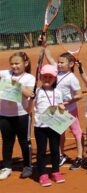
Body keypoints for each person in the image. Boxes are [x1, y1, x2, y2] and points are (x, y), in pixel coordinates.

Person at [44, 48, 84, 169]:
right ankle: (61, 155)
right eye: (59, 62)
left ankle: (80, 157)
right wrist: (45, 45)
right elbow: (49, 57)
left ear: (71, 64)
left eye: (62, 62)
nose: (59, 64)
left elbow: (79, 95)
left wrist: (67, 103)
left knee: (77, 132)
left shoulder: (72, 78)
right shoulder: (56, 70)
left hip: (69, 109)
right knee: (59, 132)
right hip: (57, 110)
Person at [0, 52, 35, 180]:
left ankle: (27, 166)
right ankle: (6, 167)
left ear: (25, 63)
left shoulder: (29, 78)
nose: (14, 66)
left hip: (22, 114)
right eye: (12, 64)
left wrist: (16, 84)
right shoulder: (5, 74)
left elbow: (29, 94)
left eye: (17, 63)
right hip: (4, 114)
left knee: (24, 142)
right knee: (7, 141)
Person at [32, 65, 66, 186]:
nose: (47, 79)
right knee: (41, 151)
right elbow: (30, 105)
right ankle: (43, 174)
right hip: (40, 126)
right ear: (40, 77)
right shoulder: (36, 91)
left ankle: (56, 171)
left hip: (54, 125)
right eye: (45, 76)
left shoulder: (57, 92)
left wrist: (62, 107)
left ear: (54, 79)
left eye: (50, 77)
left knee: (55, 150)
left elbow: (61, 105)